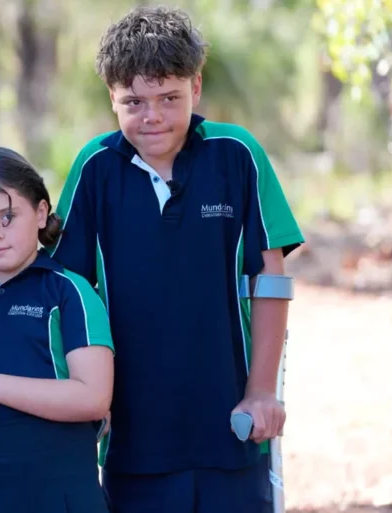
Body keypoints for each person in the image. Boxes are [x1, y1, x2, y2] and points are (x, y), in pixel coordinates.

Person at [49, 6, 305, 513]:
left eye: (170, 98)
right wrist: (79, 398)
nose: (153, 116)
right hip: (133, 436)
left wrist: (260, 394)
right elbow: (67, 292)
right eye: (134, 102)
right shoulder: (94, 168)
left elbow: (270, 277)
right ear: (112, 98)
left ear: (197, 87)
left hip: (232, 424)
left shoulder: (237, 154)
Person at [0, 146, 114, 513]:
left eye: (8, 217)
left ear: (40, 212)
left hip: (60, 499)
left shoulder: (70, 292)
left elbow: (94, 397)